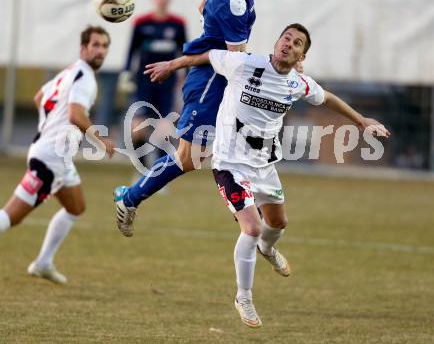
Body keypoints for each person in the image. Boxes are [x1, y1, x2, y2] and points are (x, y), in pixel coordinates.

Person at [144, 23, 391, 327]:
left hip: (264, 166)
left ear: (303, 54)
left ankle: (268, 249)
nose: (289, 44)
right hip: (230, 165)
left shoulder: (297, 83)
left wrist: (361, 120)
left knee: (278, 224)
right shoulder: (247, 64)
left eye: (297, 42)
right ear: (277, 42)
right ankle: (243, 297)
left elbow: (325, 97)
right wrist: (173, 64)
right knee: (251, 228)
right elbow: (208, 56)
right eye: (286, 38)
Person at [114, 0, 275, 237]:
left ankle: (247, 205)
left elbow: (201, 7)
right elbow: (234, 61)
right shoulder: (233, 5)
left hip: (220, 73)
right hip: (211, 79)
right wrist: (271, 66)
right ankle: (130, 197)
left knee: (220, 146)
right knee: (189, 157)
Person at [0, 26, 115, 284]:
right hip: (50, 159)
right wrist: (101, 140)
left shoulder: (69, 71)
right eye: (95, 45)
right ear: (83, 48)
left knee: (76, 207)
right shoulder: (84, 77)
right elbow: (76, 114)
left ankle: (43, 263)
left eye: (104, 46)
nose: (100, 51)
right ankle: (42, 262)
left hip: (55, 157)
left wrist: (50, 124)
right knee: (9, 217)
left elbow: (40, 97)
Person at [124, 0, 187, 170]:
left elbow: (184, 55)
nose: (161, 0)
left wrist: (188, 77)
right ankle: (141, 171)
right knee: (137, 129)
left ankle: (159, 174)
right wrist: (126, 73)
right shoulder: (141, 24)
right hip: (143, 83)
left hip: (167, 85)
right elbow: (131, 51)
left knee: (164, 131)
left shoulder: (177, 25)